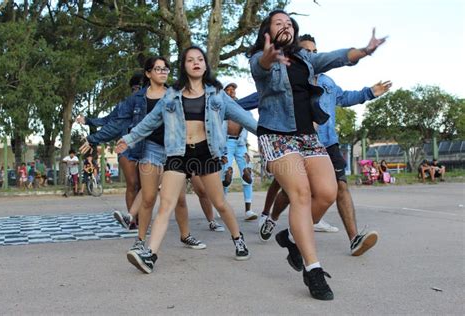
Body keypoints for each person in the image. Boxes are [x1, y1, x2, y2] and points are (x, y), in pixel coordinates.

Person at [248, 10, 386, 300]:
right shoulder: (260, 58)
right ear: (268, 32)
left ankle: (291, 238)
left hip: (307, 135)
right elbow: (260, 68)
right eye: (278, 23)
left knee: (327, 192)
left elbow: (336, 57)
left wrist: (364, 50)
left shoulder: (306, 58)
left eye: (289, 23)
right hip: (276, 133)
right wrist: (268, 56)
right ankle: (313, 270)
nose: (285, 25)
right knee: (300, 194)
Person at [116, 46, 257, 273]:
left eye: (200, 59)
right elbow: (151, 121)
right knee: (166, 205)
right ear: (184, 66)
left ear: (205, 64)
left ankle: (238, 239)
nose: (196, 63)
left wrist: (269, 136)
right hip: (179, 153)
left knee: (219, 203)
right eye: (190, 60)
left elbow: (243, 118)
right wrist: (130, 138)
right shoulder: (171, 95)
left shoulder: (217, 94)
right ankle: (150, 255)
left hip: (206, 152)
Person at [80, 57, 207, 253]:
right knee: (148, 198)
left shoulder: (176, 94)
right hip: (150, 150)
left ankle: (185, 235)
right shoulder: (137, 99)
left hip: (174, 152)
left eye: (165, 69)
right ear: (148, 73)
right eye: (158, 69)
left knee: (179, 198)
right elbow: (117, 122)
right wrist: (94, 138)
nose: (163, 72)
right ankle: (139, 240)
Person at [77, 73, 144, 228]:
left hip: (147, 148)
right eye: (135, 87)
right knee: (132, 183)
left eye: (141, 87)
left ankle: (141, 218)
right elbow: (109, 121)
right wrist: (88, 121)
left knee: (143, 186)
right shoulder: (124, 105)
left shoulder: (153, 101)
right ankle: (133, 220)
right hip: (126, 148)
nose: (138, 90)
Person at [221, 82, 258, 221]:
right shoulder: (221, 107)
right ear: (224, 92)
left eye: (233, 90)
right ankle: (222, 207)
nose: (232, 92)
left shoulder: (244, 107)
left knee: (247, 174)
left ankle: (249, 210)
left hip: (241, 144)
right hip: (226, 143)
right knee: (226, 174)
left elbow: (252, 123)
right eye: (228, 90)